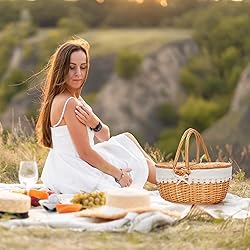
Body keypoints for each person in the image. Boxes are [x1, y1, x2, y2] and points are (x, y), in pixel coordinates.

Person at [36, 38, 156, 194]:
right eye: (72, 67)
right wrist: (118, 174)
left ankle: (170, 179)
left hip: (67, 165)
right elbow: (85, 153)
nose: (78, 73)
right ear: (61, 69)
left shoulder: (73, 98)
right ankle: (173, 183)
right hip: (75, 170)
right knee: (140, 162)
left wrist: (94, 122)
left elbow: (105, 135)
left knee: (127, 139)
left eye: (83, 67)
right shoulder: (69, 103)